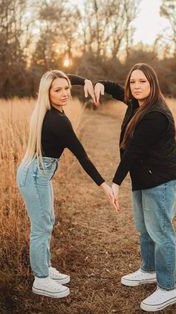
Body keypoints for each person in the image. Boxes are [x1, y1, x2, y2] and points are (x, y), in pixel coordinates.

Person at [16, 70, 118, 299]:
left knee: (47, 220)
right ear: (47, 93)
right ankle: (41, 279)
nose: (64, 93)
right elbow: (82, 156)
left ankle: (45, 266)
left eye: (66, 89)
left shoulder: (49, 110)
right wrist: (104, 185)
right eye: (58, 90)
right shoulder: (57, 121)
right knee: (41, 227)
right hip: (34, 176)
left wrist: (85, 81)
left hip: (38, 173)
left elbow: (59, 77)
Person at [94, 63, 176, 312]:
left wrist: (115, 183)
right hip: (144, 177)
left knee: (161, 232)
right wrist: (99, 84)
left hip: (161, 179)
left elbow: (133, 152)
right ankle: (148, 270)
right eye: (133, 82)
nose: (136, 86)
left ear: (152, 83)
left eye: (142, 81)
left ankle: (167, 288)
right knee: (144, 228)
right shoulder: (136, 103)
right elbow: (115, 88)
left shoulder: (155, 114)